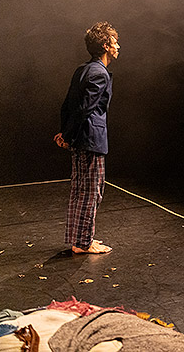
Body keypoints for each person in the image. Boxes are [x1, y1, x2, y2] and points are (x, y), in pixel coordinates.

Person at [54, 21, 119, 255]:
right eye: (114, 41)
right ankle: (83, 243)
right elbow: (83, 109)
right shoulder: (99, 74)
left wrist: (65, 133)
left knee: (81, 190)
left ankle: (80, 239)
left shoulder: (83, 69)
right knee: (92, 191)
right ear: (105, 45)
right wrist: (69, 136)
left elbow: (67, 105)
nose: (118, 46)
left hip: (81, 137)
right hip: (90, 138)